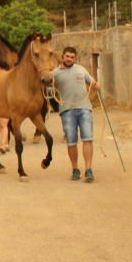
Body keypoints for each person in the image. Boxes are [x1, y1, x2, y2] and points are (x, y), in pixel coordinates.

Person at [52, 46, 100, 183]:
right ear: (62, 57)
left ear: (75, 58)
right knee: (71, 142)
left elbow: (92, 82)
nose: (69, 59)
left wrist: (97, 85)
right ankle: (75, 169)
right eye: (67, 56)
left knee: (88, 139)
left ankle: (88, 169)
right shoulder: (55, 73)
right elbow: (46, 84)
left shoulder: (81, 69)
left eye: (72, 57)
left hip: (85, 108)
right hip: (67, 111)